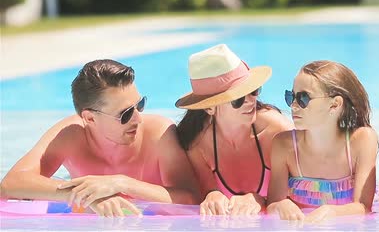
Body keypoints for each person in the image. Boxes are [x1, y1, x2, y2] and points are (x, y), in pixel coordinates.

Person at [0, 59, 199, 217]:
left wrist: (121, 183)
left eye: (140, 105)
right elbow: (11, 184)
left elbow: (191, 200)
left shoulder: (159, 133)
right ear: (90, 118)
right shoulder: (71, 135)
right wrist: (88, 196)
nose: (139, 119)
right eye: (126, 113)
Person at [175, 44, 292, 216]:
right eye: (238, 99)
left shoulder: (275, 131)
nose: (250, 101)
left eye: (253, 91)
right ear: (210, 108)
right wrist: (212, 195)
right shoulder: (198, 145)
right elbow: (205, 194)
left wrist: (258, 198)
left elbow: (302, 196)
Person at [266, 60, 378, 222]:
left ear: (335, 104)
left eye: (303, 98)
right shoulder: (284, 145)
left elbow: (363, 207)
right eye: (291, 97)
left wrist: (330, 212)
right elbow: (272, 205)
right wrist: (280, 206)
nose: (294, 105)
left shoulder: (361, 141)